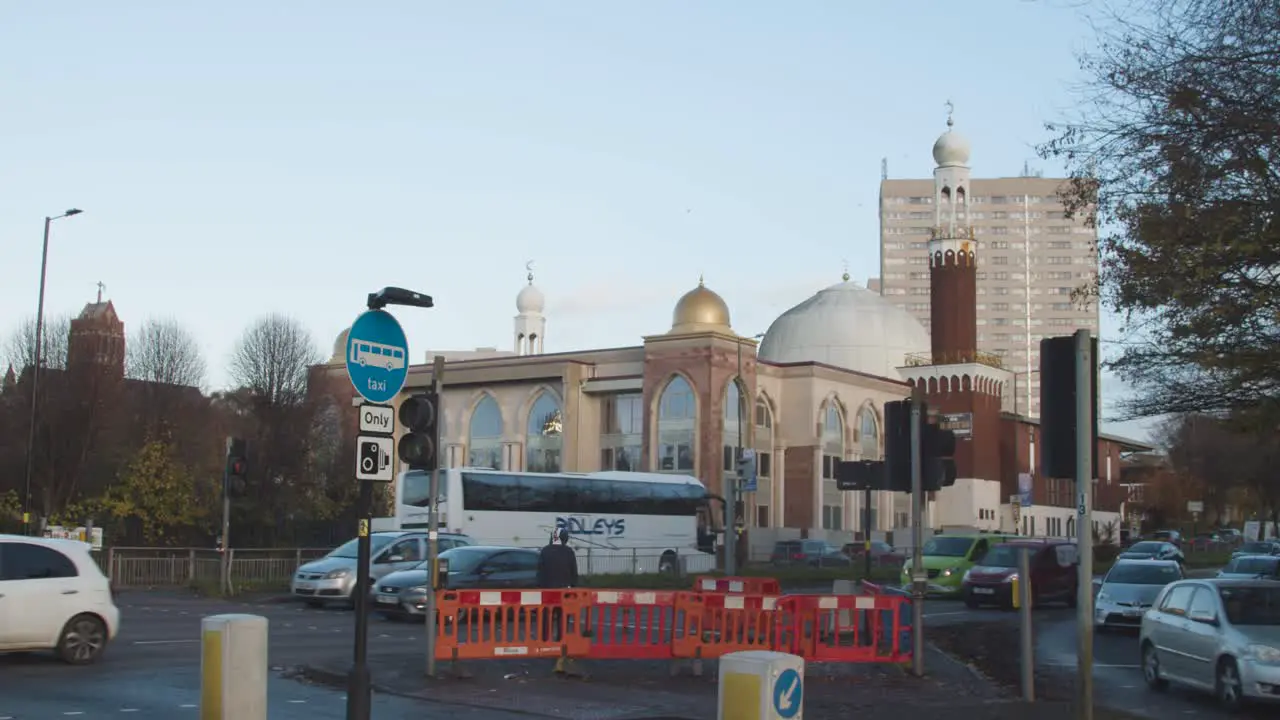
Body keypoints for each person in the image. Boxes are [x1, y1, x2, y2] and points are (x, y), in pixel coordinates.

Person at [537, 528, 579, 673]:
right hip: (564, 591)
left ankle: (544, 641)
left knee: (546, 616)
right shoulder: (568, 552)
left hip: (548, 591)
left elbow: (540, 572)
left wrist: (540, 587)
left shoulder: (545, 551)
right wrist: (573, 588)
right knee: (562, 617)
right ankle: (561, 640)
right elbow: (574, 573)